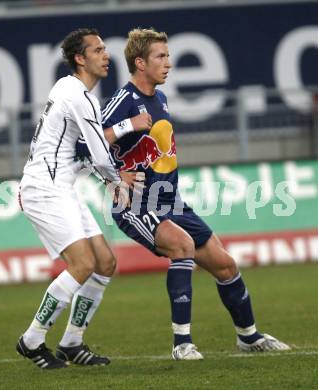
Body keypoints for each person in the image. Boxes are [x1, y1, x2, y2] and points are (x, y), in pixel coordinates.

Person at [73, 28, 290, 360]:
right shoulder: (123, 101)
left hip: (170, 201)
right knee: (183, 246)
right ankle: (182, 344)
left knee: (226, 266)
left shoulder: (159, 98)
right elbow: (83, 145)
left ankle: (249, 337)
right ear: (140, 62)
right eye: (161, 57)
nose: (169, 64)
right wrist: (113, 176)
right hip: (135, 203)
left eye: (168, 56)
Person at [16, 28, 151, 369]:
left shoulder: (71, 91)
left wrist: (111, 162)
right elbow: (99, 152)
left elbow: (84, 148)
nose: (106, 55)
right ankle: (31, 341)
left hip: (60, 187)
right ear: (80, 58)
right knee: (83, 265)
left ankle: (72, 342)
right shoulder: (78, 95)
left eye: (105, 49)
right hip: (44, 189)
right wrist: (114, 178)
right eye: (98, 50)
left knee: (104, 262)